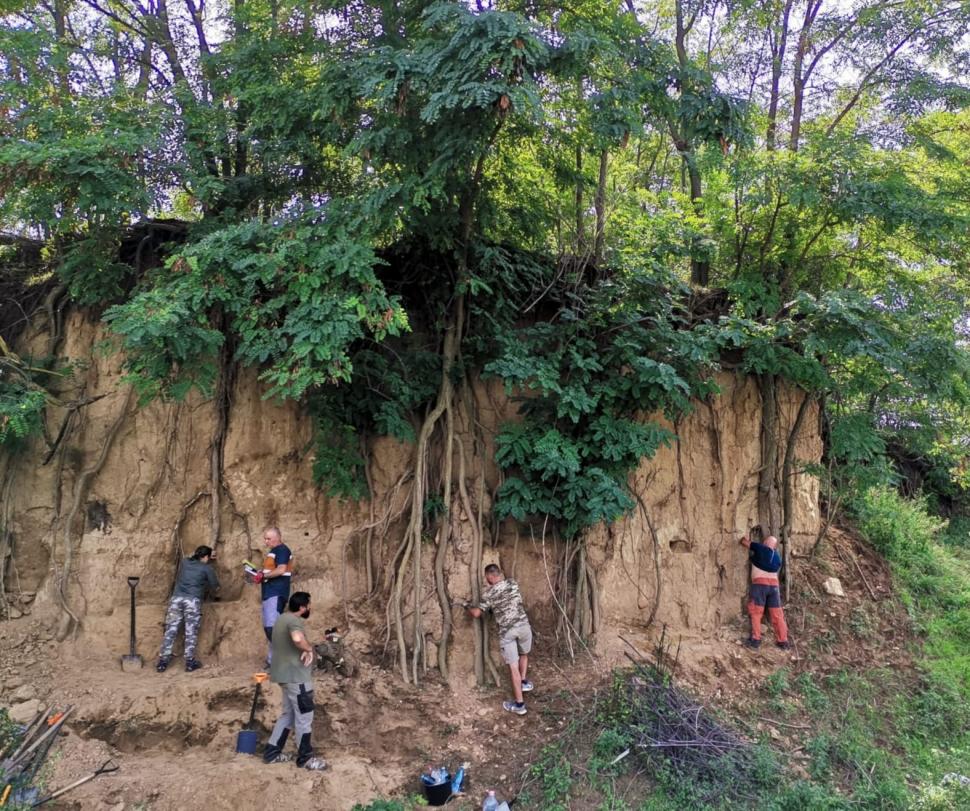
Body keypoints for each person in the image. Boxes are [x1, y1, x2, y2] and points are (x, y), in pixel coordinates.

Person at [262, 591, 327, 770]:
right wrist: (308, 649)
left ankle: (272, 754)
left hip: (284, 677)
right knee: (304, 717)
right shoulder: (293, 621)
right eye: (308, 605)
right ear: (302, 607)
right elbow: (297, 638)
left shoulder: (281, 619)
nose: (310, 608)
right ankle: (305, 758)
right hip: (297, 679)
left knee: (288, 716)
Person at [464, 564, 534, 716]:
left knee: (513, 667)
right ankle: (523, 682)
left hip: (508, 632)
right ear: (500, 574)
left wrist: (467, 606)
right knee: (524, 653)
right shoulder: (512, 583)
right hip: (524, 626)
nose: (486, 580)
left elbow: (476, 613)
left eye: (486, 577)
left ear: (490, 577)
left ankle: (519, 705)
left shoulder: (489, 595)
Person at [156, 545, 219, 672]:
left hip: (176, 599)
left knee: (171, 630)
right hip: (192, 601)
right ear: (206, 557)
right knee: (191, 631)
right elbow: (215, 586)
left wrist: (204, 555)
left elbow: (191, 556)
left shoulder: (185, 562)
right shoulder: (207, 568)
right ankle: (190, 662)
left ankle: (163, 662)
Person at [739, 533, 791, 650]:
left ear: (766, 543)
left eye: (765, 541)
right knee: (777, 614)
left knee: (756, 612)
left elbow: (744, 542)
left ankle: (755, 640)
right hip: (774, 587)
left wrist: (746, 538)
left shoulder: (761, 548)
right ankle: (783, 641)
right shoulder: (778, 558)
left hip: (760, 585)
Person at [250, 526, 293, 666]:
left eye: (268, 538)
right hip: (269, 593)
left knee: (271, 629)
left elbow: (281, 570)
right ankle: (272, 661)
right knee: (272, 628)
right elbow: (272, 570)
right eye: (265, 538)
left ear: (277, 537)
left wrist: (264, 576)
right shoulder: (273, 552)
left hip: (276, 592)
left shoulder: (282, 550)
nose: (266, 541)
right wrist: (260, 574)